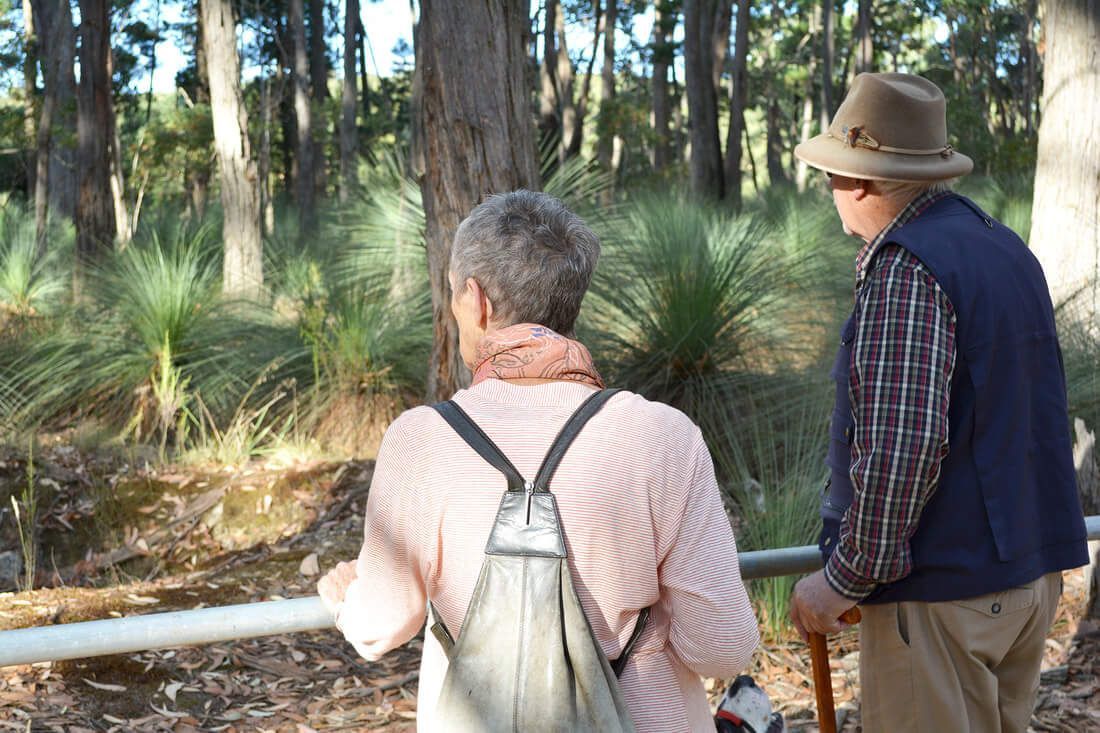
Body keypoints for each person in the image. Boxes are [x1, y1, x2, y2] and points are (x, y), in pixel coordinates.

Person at [317, 190, 759, 731]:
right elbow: (722, 646)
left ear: (475, 301)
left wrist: (349, 597)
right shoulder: (663, 436)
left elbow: (380, 625)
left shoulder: (421, 441)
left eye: (453, 295)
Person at [788, 72, 1089, 733]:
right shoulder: (1000, 245)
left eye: (833, 174)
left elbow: (904, 450)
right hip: (1024, 582)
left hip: (944, 594)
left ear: (861, 180)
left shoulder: (907, 267)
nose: (830, 188)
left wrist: (841, 579)